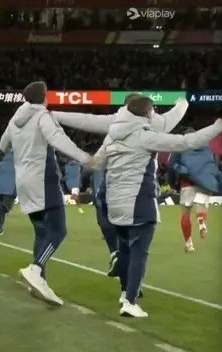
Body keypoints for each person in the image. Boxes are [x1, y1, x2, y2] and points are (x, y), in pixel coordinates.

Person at [98, 96, 222, 317]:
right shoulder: (146, 136)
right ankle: (130, 301)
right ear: (148, 114)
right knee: (139, 252)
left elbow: (98, 162)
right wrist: (216, 127)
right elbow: (185, 142)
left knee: (126, 248)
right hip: (139, 201)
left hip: (116, 202)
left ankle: (125, 292)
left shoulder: (113, 136)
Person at [51, 96, 188, 274]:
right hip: (141, 185)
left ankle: (117, 253)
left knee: (103, 203)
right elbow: (176, 114)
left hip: (116, 179)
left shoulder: (117, 121)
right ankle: (128, 271)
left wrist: (54, 114)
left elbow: (86, 121)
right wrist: (182, 101)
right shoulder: (155, 122)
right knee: (136, 231)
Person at [0, 81, 93, 307]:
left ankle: (40, 283)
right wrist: (86, 158)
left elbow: (3, 145)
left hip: (24, 182)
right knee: (58, 231)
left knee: (42, 233)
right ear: (44, 98)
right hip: (44, 180)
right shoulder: (43, 116)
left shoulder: (15, 119)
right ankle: (36, 269)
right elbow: (59, 140)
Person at [168, 137, 222, 252]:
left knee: (185, 214)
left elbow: (172, 166)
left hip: (186, 183)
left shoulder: (180, 148)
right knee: (201, 203)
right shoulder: (208, 148)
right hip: (204, 182)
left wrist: (173, 183)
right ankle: (201, 219)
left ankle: (188, 243)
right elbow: (214, 165)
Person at [0, 151, 16, 235]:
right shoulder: (18, 164)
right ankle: (0, 210)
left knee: (0, 206)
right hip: (10, 189)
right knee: (6, 207)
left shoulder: (0, 164)